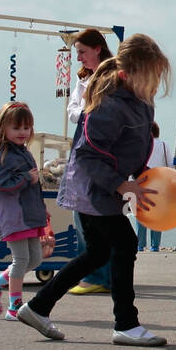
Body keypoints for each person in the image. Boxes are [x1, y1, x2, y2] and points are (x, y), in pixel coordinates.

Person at [18, 33, 172, 346]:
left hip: (104, 187)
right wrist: (121, 184)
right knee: (125, 243)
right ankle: (126, 324)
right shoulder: (110, 105)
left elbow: (134, 147)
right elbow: (88, 155)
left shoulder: (141, 103)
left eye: (159, 73)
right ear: (128, 74)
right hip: (91, 188)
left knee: (98, 252)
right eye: (152, 74)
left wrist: (144, 176)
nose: (157, 81)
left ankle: (37, 307)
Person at [0, 103, 48, 321]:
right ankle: (14, 305)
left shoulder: (24, 152)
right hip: (13, 215)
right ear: (4, 129)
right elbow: (2, 184)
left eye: (26, 128)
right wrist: (27, 178)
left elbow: (32, 187)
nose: (23, 133)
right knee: (21, 260)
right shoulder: (0, 155)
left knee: (35, 259)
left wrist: (42, 211)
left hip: (28, 214)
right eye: (17, 128)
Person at [67, 29, 113, 295]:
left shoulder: (111, 75)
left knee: (97, 212)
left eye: (82, 52)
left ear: (97, 49)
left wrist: (89, 111)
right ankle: (90, 271)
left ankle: (99, 274)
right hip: (83, 141)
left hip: (101, 146)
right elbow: (73, 109)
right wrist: (86, 111)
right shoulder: (83, 78)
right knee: (79, 209)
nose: (79, 58)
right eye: (77, 53)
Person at [136, 121, 171, 252]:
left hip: (142, 182)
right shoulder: (163, 145)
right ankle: (155, 245)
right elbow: (170, 165)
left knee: (141, 214)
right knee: (157, 214)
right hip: (160, 184)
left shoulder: (141, 145)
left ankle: (140, 245)